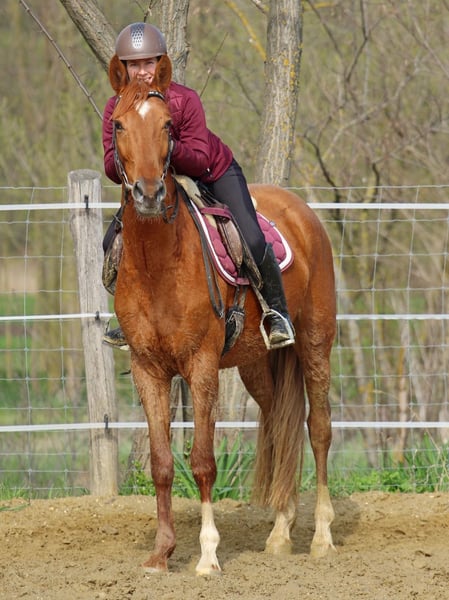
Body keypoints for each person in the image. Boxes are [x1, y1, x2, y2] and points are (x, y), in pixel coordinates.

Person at [102, 22, 295, 350]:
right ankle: (131, 317)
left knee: (250, 236)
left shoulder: (185, 99)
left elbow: (200, 159)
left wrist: (165, 146)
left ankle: (277, 312)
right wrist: (131, 152)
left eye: (149, 63)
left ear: (161, 65)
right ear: (122, 68)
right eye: (133, 64)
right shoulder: (115, 107)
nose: (142, 71)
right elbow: (110, 166)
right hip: (155, 182)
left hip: (212, 173)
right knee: (112, 241)